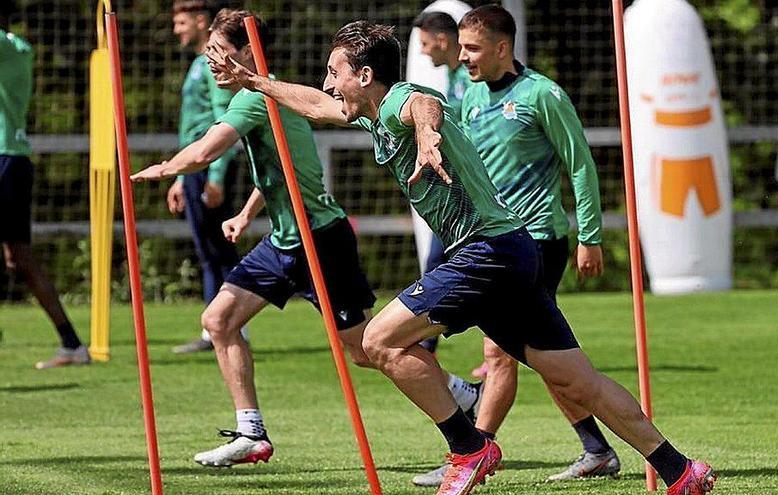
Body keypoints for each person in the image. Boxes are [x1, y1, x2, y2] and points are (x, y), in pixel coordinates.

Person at [209, 19, 716, 495]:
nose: (329, 82)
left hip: (487, 252)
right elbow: (317, 105)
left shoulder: (397, 103)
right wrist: (254, 80)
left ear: (365, 75)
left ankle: (468, 448)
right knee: (575, 379)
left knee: (379, 341)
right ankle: (679, 470)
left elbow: (422, 105)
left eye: (335, 72)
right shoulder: (371, 114)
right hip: (510, 251)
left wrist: (429, 135)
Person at [133, 9, 479, 468]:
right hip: (285, 239)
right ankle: (250, 432)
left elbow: (206, 150)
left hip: (319, 238)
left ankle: (461, 395)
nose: (212, 61)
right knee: (219, 320)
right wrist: (246, 212)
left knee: (364, 349)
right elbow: (285, 170)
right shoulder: (264, 96)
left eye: (219, 52)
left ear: (245, 54)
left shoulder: (253, 98)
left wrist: (167, 168)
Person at [414, 4, 618, 485]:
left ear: (502, 48)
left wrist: (590, 237)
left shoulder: (542, 94)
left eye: (473, 48)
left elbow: (580, 165)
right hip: (489, 243)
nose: (463, 57)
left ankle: (473, 455)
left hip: (539, 239)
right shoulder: (470, 97)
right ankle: (595, 448)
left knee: (499, 355)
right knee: (542, 356)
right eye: (461, 47)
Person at [0, 2, 90, 370]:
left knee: (19, 256)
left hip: (3, 157)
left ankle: (72, 344)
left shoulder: (6, 46)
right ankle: (72, 343)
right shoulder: (18, 46)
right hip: (15, 158)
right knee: (18, 256)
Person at [168, 0, 248, 354]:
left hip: (209, 166)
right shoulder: (200, 65)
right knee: (210, 251)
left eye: (181, 22)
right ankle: (221, 325)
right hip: (195, 168)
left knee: (217, 249)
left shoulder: (213, 66)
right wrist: (179, 177)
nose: (176, 29)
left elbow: (223, 120)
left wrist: (215, 175)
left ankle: (228, 326)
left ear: (201, 22)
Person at [410, 10, 474, 361]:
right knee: (437, 261)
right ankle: (427, 340)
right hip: (457, 191)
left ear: (442, 40)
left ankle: (425, 339)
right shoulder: (453, 77)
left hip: (472, 194)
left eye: (424, 43)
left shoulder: (472, 79)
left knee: (438, 261)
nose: (421, 52)